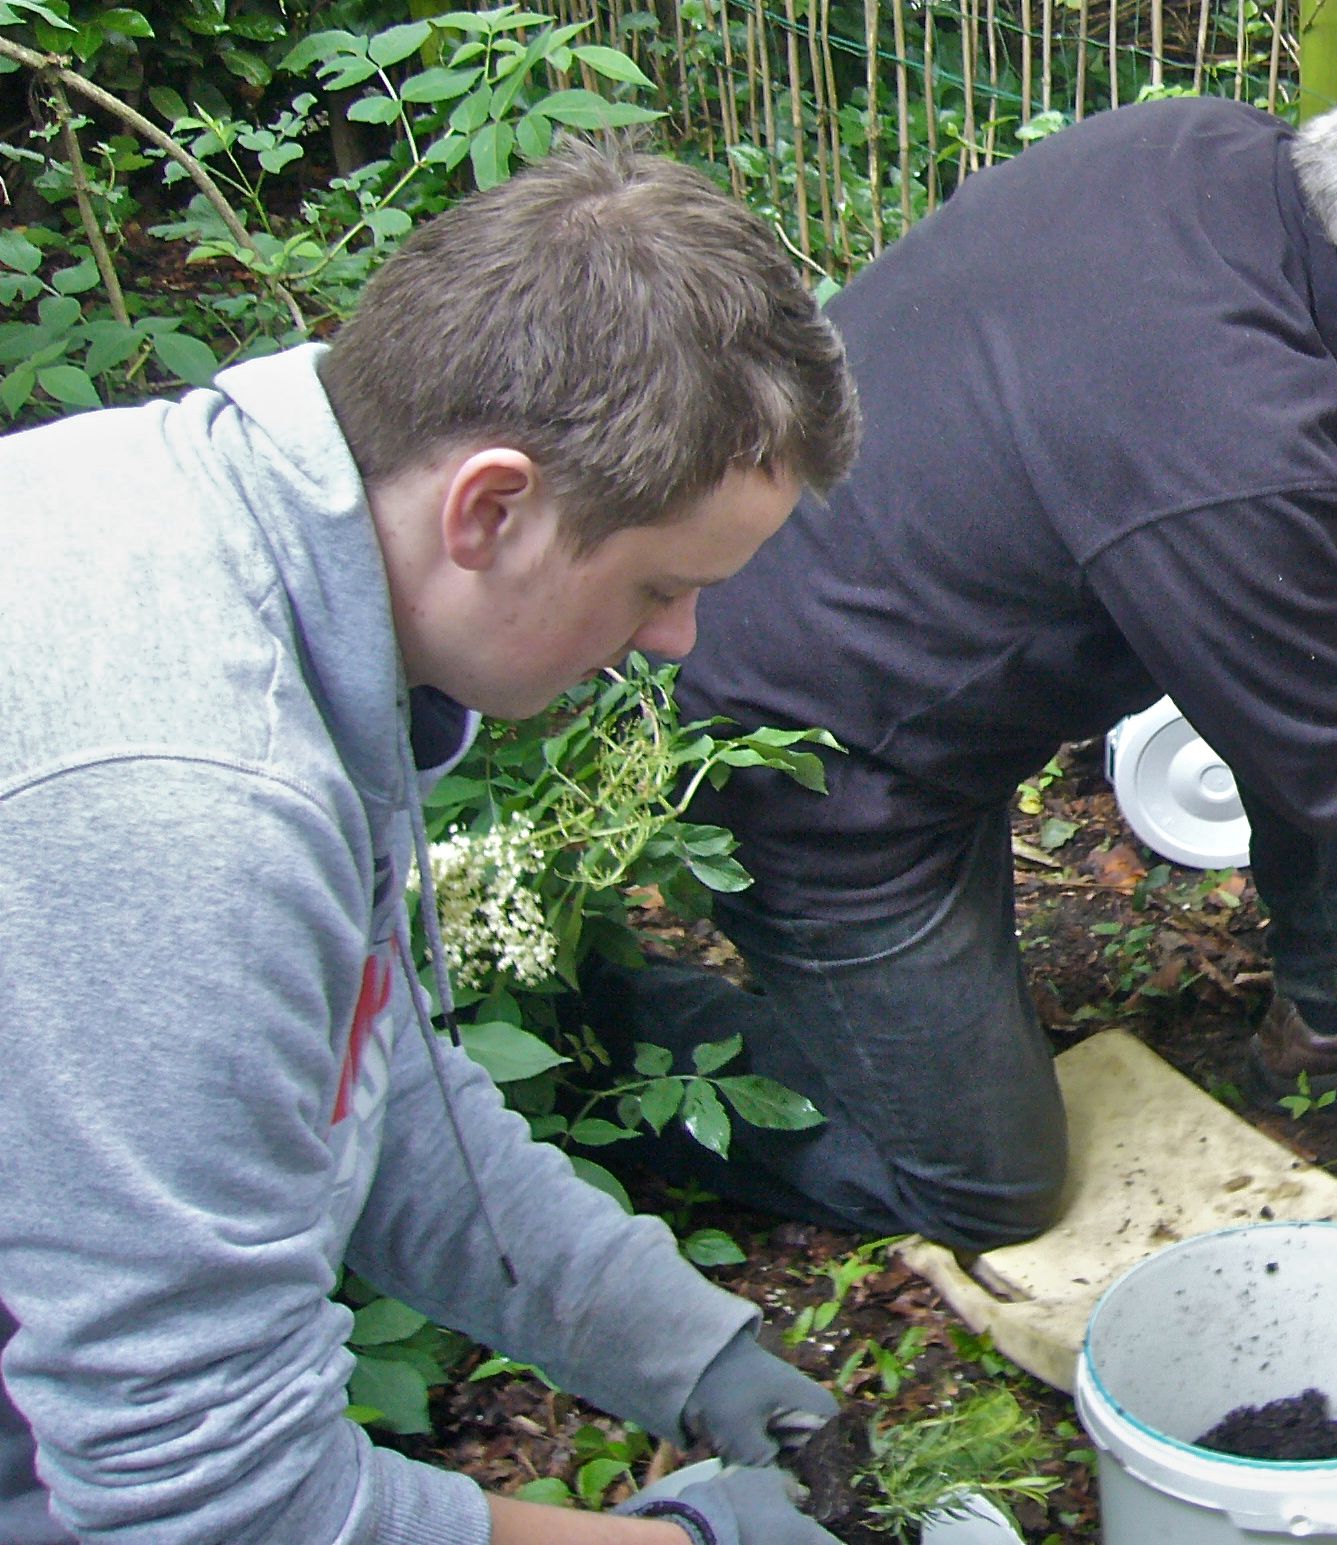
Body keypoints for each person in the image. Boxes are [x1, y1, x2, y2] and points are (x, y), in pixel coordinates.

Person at [592, 35, 1337, 1255]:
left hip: (856, 605)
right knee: (982, 1186)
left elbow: (1211, 403)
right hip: (817, 760)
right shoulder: (1231, 454)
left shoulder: (1205, 154)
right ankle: (589, 1033)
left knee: (1295, 543)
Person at [0, 141, 862, 1545]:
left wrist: (682, 1349)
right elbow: (203, 1505)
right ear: (492, 507)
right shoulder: (192, 809)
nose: (674, 641)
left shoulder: (243, 538)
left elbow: (365, 1082)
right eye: (658, 583)